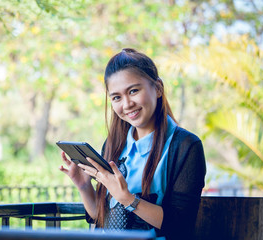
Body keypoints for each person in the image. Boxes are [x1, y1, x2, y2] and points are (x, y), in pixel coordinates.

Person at [59, 48, 206, 240]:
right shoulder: (114, 144)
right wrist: (83, 186)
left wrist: (128, 199)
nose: (127, 104)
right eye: (117, 97)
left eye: (134, 91)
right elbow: (101, 218)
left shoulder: (186, 146)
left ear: (158, 88)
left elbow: (180, 224)